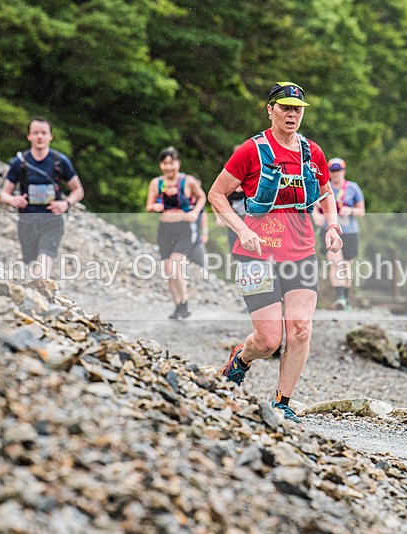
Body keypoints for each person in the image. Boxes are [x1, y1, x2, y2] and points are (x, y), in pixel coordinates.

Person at [208, 82, 343, 422]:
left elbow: (326, 193)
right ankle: (241, 359)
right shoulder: (251, 150)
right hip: (256, 254)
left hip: (301, 252)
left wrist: (332, 227)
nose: (292, 114)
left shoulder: (313, 152)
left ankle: (282, 404)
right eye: (284, 108)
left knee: (300, 329)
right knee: (268, 341)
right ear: (270, 110)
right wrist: (241, 229)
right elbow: (216, 194)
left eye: (297, 109)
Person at [0, 117, 84, 279]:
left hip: (52, 221)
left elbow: (78, 190)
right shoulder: (20, 163)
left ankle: (41, 286)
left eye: (43, 133)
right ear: (29, 136)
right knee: (31, 264)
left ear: (50, 136)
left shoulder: (60, 162)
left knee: (44, 261)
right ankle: (38, 296)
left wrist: (66, 204)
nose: (40, 136)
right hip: (27, 221)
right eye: (35, 133)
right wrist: (13, 200)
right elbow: (4, 193)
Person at [146, 147, 207, 319]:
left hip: (184, 230)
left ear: (178, 163)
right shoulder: (156, 183)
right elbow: (149, 205)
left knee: (175, 264)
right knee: (168, 270)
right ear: (161, 165)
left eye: (171, 163)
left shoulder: (187, 181)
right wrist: (154, 207)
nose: (168, 167)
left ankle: (185, 301)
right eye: (165, 163)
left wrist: (195, 213)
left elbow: (202, 197)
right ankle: (177, 304)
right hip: (165, 229)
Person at [313, 157, 365, 310]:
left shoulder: (353, 188)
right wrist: (317, 217)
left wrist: (351, 210)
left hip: (349, 231)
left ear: (344, 172)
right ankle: (340, 297)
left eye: (338, 171)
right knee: (335, 261)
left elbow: (361, 211)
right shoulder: (322, 187)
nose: (336, 174)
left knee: (347, 264)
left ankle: (345, 297)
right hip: (329, 230)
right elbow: (314, 207)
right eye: (332, 171)